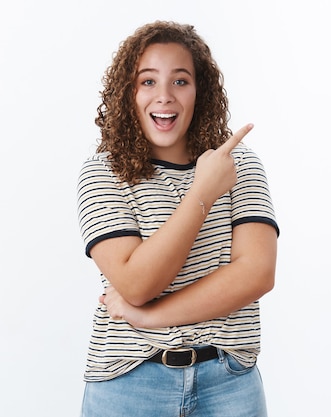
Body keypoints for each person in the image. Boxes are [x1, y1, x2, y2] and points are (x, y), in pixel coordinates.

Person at [76, 21, 279, 417]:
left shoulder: (240, 165)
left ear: (199, 91)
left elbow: (256, 275)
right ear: (127, 94)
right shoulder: (103, 173)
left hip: (229, 383)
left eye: (180, 81)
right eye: (148, 81)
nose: (164, 96)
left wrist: (148, 317)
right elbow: (137, 283)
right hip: (130, 384)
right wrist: (202, 192)